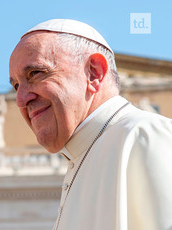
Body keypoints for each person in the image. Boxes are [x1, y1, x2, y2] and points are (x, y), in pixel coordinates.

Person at [9, 19, 172, 230]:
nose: (21, 100)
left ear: (94, 73)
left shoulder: (145, 136)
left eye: (35, 74)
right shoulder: (82, 155)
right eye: (15, 86)